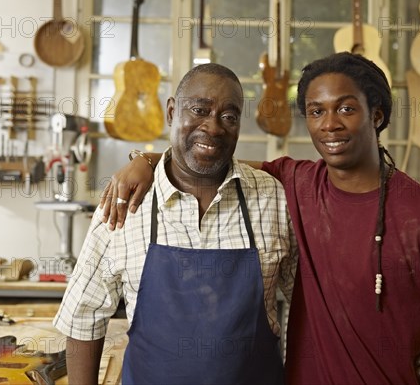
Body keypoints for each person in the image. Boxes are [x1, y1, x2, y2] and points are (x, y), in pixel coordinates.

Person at [101, 53, 420, 383]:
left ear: (376, 115)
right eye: (316, 112)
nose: (329, 124)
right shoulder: (296, 182)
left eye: (346, 108)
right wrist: (143, 158)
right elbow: (208, 156)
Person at [53, 63, 298, 384]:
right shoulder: (125, 202)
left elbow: (308, 310)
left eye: (229, 116)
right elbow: (83, 319)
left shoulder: (273, 198)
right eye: (199, 110)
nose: (213, 127)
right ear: (171, 111)